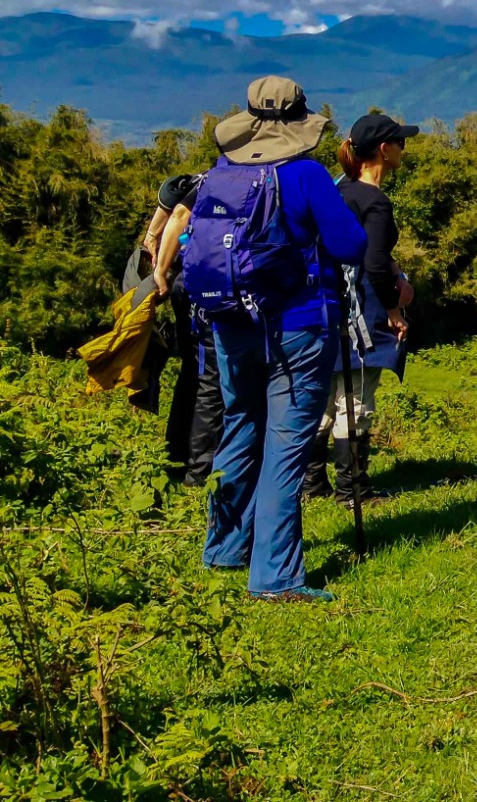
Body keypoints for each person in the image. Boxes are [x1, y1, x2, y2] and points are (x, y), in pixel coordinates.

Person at [188, 77, 368, 602]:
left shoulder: (220, 174)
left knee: (240, 427)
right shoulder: (306, 175)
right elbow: (349, 244)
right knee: (287, 445)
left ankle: (223, 548)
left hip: (230, 322)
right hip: (298, 324)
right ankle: (276, 576)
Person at [302, 113, 418, 507]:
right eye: (400, 142)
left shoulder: (340, 191)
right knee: (356, 400)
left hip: (327, 308)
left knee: (325, 397)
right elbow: (374, 260)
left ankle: (312, 481)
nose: (404, 148)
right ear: (384, 151)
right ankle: (353, 490)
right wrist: (394, 309)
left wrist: (395, 271)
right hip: (362, 312)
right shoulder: (376, 203)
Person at [150, 172, 224, 485]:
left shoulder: (208, 176)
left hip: (187, 282)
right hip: (207, 285)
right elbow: (181, 213)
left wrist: (156, 251)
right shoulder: (232, 178)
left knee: (192, 372)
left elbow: (172, 199)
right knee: (211, 378)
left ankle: (176, 455)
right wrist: (161, 271)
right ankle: (200, 469)